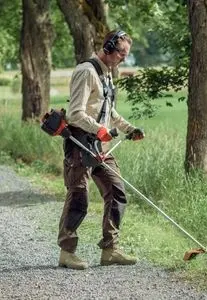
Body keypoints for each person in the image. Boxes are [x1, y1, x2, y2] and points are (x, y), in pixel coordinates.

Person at [57, 30, 144, 270]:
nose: (123, 59)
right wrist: (99, 130)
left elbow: (109, 111)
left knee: (117, 191)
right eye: (121, 53)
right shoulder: (86, 72)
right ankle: (67, 252)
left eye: (126, 55)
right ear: (107, 48)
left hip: (100, 143)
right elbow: (75, 113)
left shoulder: (107, 74)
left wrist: (129, 128)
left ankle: (110, 250)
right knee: (79, 196)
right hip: (80, 142)